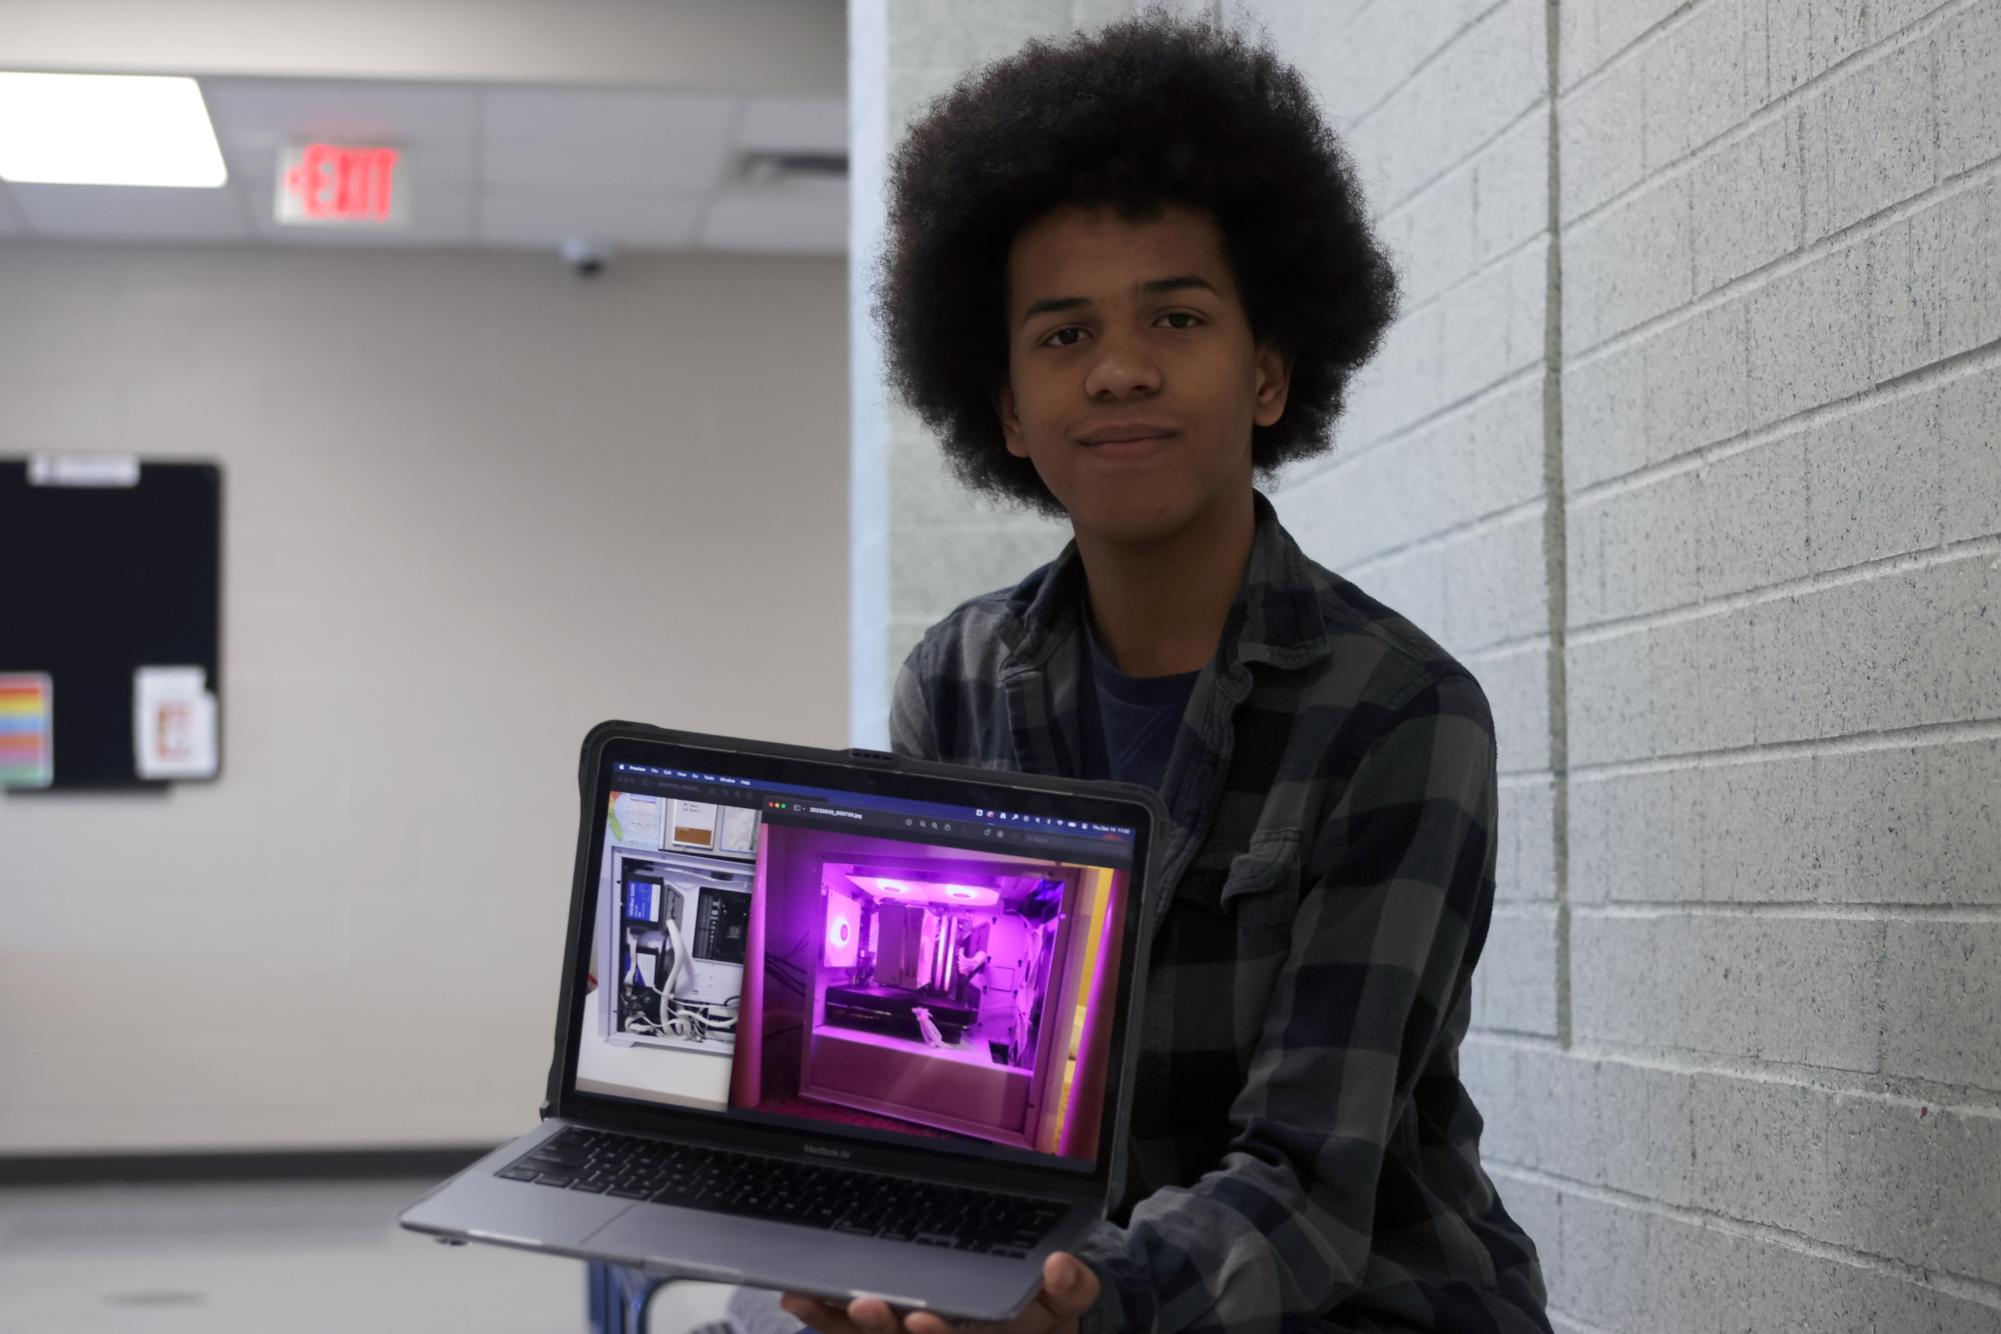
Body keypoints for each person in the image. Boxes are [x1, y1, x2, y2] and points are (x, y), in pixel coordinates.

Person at [766, 12, 1550, 1334]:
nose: (1119, 367)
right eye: (1062, 336)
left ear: (1264, 370)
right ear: (1006, 407)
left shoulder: (1401, 713)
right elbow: (922, 1072)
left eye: (1174, 317)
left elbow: (1305, 1180)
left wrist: (1080, 1301)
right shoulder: (951, 681)